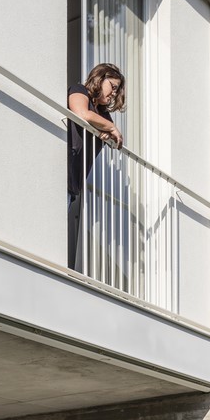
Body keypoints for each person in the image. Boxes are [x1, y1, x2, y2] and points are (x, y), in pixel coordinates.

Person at [67, 62, 125, 269]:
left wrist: (105, 128)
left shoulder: (103, 114)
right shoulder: (79, 90)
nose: (114, 94)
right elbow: (82, 113)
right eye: (113, 87)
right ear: (100, 78)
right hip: (60, 174)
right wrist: (109, 127)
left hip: (73, 183)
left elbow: (117, 142)